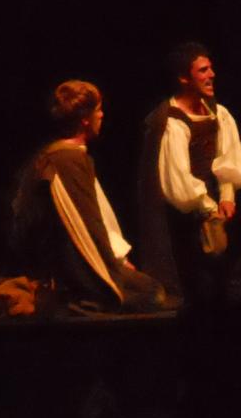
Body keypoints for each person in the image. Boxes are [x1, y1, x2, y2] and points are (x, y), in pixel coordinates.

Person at [12, 79, 171, 313]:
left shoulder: (69, 156)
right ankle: (80, 300)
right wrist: (108, 269)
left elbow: (95, 216)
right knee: (151, 294)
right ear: (85, 119)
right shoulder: (67, 160)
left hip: (81, 261)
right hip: (72, 268)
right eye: (98, 109)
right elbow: (86, 227)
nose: (102, 115)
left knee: (150, 288)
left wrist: (116, 258)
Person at [139, 42, 241, 307]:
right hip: (188, 213)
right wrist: (209, 207)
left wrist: (227, 196)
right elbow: (178, 184)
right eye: (203, 70)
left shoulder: (218, 112)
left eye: (211, 68)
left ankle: (240, 281)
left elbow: (228, 156)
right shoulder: (172, 122)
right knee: (205, 286)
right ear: (183, 78)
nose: (212, 75)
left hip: (218, 202)